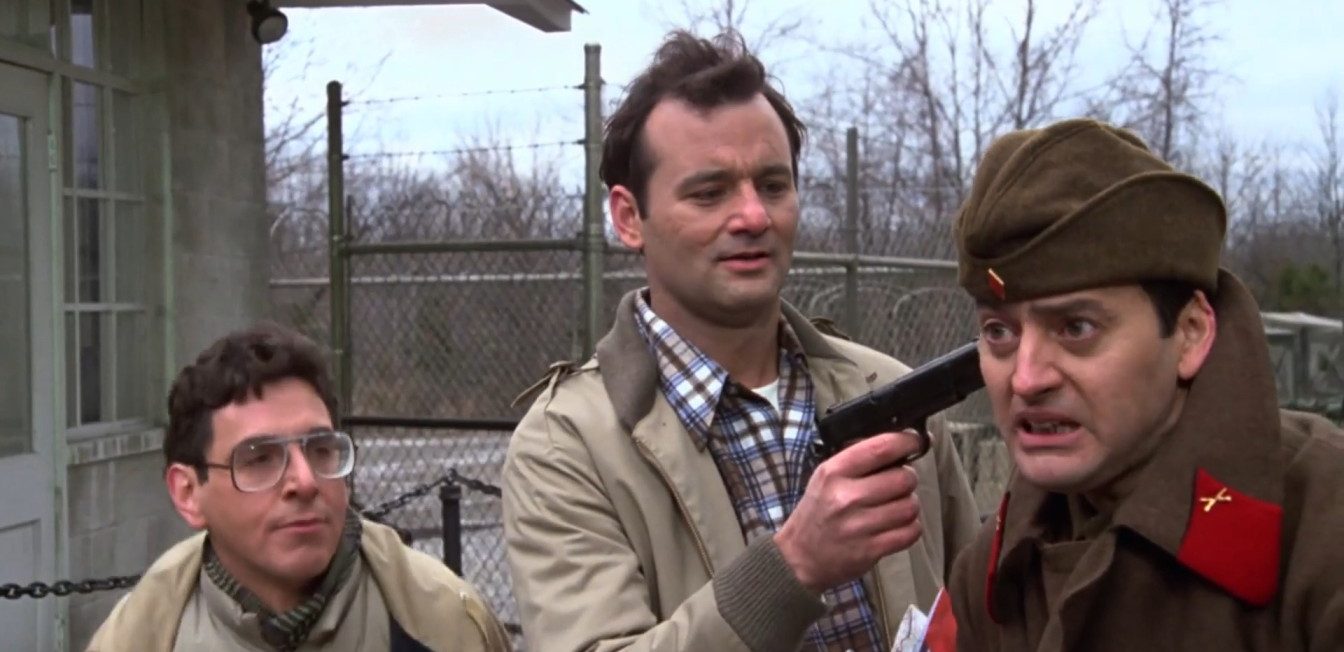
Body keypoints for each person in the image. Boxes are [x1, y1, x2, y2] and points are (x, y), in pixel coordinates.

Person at [502, 30, 980, 652]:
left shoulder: (893, 394)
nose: (754, 216)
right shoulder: (565, 446)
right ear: (628, 217)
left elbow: (984, 611)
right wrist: (791, 570)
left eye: (774, 186)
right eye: (710, 192)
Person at [945, 118, 1344, 650]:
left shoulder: (1321, 532)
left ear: (1190, 334)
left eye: (1076, 328)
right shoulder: (991, 571)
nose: (1026, 378)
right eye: (1000, 332)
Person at [87, 322, 510, 652]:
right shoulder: (140, 636)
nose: (305, 482)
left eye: (321, 450)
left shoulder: (443, 623)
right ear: (188, 493)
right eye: (259, 459)